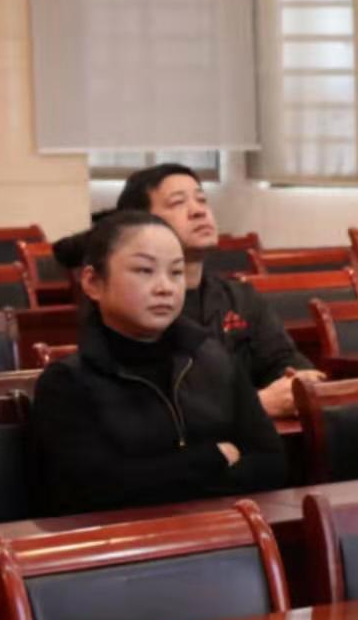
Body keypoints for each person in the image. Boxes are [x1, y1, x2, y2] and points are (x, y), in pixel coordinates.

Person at [28, 211, 287, 514]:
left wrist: (161, 478)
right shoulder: (66, 383)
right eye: (144, 271)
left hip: (226, 532)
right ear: (93, 282)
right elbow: (95, 491)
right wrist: (214, 457)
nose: (165, 287)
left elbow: (272, 464)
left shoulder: (213, 358)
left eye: (176, 272)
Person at [116, 163, 324, 418]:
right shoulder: (133, 309)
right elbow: (149, 410)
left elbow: (282, 360)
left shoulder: (240, 297)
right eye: (178, 203)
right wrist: (256, 405)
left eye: (202, 199)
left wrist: (299, 382)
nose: (198, 211)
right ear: (140, 224)